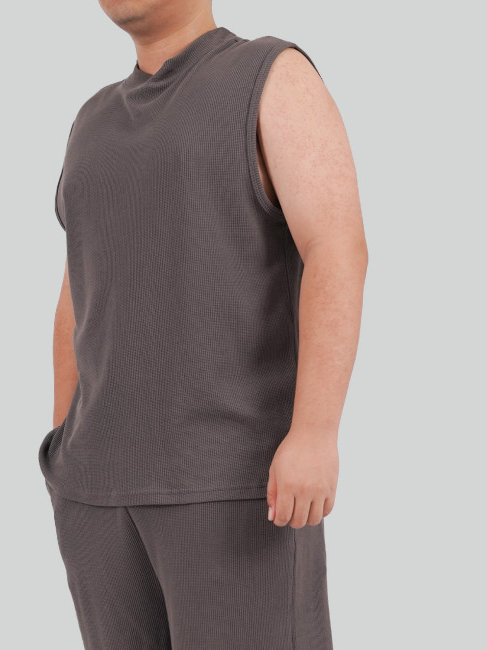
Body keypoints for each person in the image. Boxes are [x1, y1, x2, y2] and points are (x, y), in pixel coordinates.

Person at [38, 1, 368, 648]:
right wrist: (65, 454)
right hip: (96, 497)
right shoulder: (91, 121)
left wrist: (315, 431)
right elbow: (78, 292)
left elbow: (336, 249)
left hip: (233, 487)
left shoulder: (270, 74)